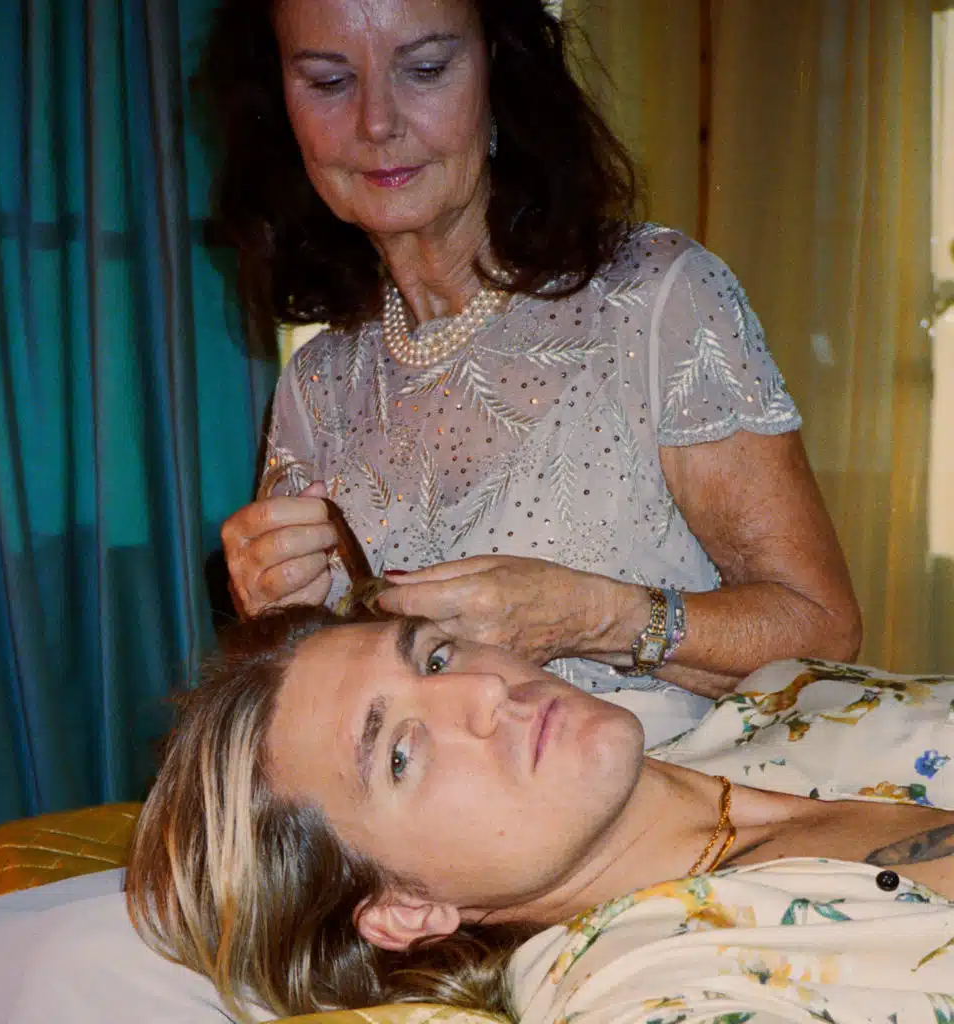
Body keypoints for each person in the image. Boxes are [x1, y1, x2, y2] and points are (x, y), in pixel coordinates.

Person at [212, 0, 861, 746]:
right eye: (329, 82)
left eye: (425, 69)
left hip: (682, 805)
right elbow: (324, 744)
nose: (376, 123)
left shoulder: (657, 300)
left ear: (500, 71)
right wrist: (273, 621)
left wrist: (591, 617)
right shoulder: (315, 385)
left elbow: (824, 632)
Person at [122, 607, 954, 1024]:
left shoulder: (779, 698)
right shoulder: (650, 984)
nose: (482, 688)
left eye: (434, 656)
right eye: (400, 753)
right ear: (405, 907)